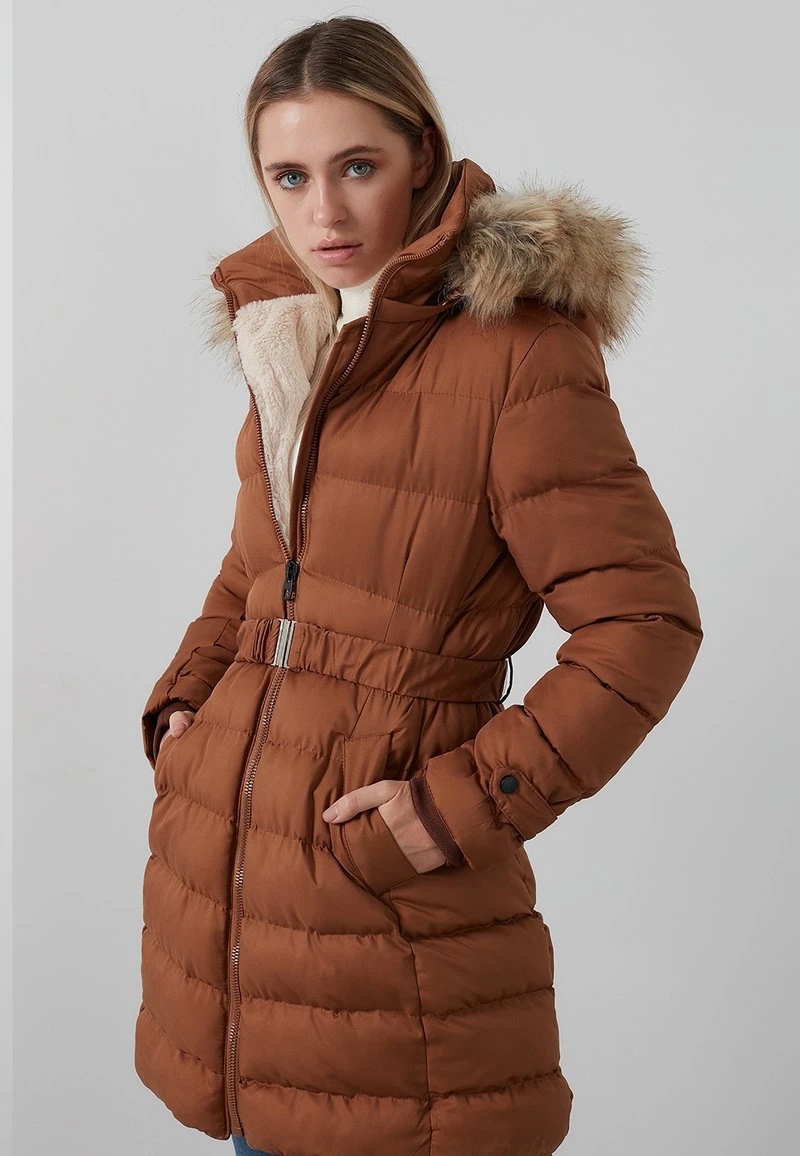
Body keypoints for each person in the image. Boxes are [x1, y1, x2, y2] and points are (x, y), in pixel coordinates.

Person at [134, 15, 703, 1156]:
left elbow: (642, 623)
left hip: (390, 938)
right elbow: (264, 565)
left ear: (423, 154)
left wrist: (459, 806)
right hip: (239, 920)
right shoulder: (292, 333)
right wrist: (187, 701)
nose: (324, 214)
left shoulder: (517, 353)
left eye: (358, 166)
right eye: (290, 176)